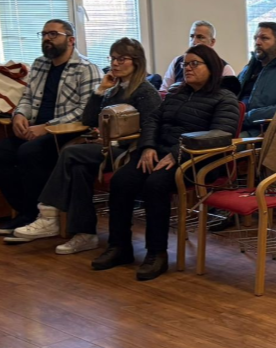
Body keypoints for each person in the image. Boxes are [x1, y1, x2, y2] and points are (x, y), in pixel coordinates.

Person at [93, 45, 239, 280]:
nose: (187, 68)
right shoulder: (176, 93)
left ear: (211, 68)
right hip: (161, 153)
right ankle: (119, 247)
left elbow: (220, 135)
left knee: (156, 184)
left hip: (199, 160)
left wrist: (178, 153)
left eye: (194, 64)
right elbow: (152, 120)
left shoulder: (225, 98)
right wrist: (148, 146)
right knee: (122, 180)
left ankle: (156, 253)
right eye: (185, 64)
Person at [6, 38, 158, 251]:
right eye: (113, 58)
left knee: (70, 153)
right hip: (106, 147)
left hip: (127, 151)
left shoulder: (145, 91)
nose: (115, 64)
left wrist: (141, 147)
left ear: (136, 62)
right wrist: (99, 91)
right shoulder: (115, 89)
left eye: (121, 59)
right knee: (77, 168)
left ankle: (48, 213)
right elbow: (89, 120)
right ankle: (85, 234)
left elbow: (153, 126)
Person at [0, 20, 101, 238]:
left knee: (30, 152)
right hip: (34, 129)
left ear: (71, 40)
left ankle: (45, 216)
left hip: (65, 134)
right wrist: (19, 115)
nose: (47, 38)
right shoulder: (39, 65)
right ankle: (27, 211)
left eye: (54, 34)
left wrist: (47, 128)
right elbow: (27, 98)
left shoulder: (86, 69)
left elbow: (85, 112)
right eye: (44, 34)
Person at [159, 21, 235, 96]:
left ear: (212, 42)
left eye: (200, 37)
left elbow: (229, 98)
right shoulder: (178, 62)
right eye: (192, 36)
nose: (194, 42)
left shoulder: (225, 68)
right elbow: (164, 93)